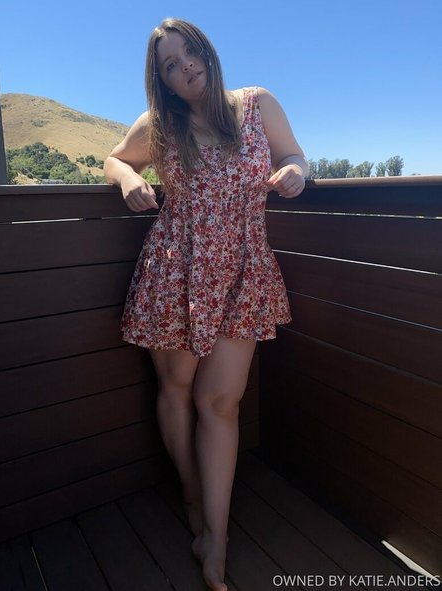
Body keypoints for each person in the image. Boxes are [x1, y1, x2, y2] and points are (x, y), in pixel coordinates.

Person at [104, 17, 308, 591]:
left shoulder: (257, 104)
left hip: (244, 270)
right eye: (169, 65)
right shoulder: (159, 124)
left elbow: (296, 155)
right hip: (177, 271)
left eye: (188, 52)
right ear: (163, 82)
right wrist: (127, 179)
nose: (184, 66)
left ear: (207, 51)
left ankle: (215, 536)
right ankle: (194, 501)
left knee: (220, 402)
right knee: (176, 390)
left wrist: (294, 171)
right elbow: (115, 158)